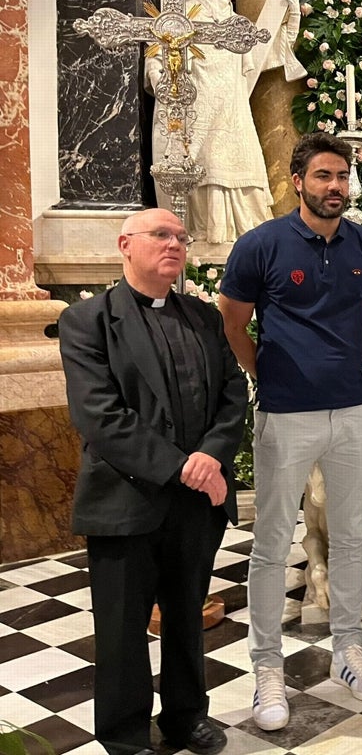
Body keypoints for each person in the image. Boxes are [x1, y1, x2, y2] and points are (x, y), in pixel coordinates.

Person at [219, 132, 362, 729]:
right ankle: (267, 669)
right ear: (297, 181)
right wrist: (268, 372)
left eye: (342, 176)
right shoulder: (261, 245)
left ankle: (348, 649)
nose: (335, 187)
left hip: (351, 411)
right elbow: (234, 324)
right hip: (285, 413)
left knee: (349, 540)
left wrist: (338, 368)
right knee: (271, 544)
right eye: (323, 176)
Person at [59, 208, 248, 755]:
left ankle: (187, 717)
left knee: (187, 618)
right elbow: (100, 416)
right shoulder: (88, 320)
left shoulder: (203, 316)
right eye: (161, 235)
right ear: (125, 244)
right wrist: (183, 466)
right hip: (126, 500)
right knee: (122, 628)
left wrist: (210, 457)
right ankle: (123, 734)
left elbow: (232, 395)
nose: (175, 245)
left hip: (195, 504)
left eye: (181, 238)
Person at [146, 0, 278, 243]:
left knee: (237, 158)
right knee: (202, 159)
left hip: (230, 105)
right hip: (199, 103)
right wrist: (158, 76)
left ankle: (239, 229)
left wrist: (289, 26)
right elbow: (160, 46)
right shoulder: (186, 13)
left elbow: (263, 55)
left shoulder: (236, 22)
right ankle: (202, 228)